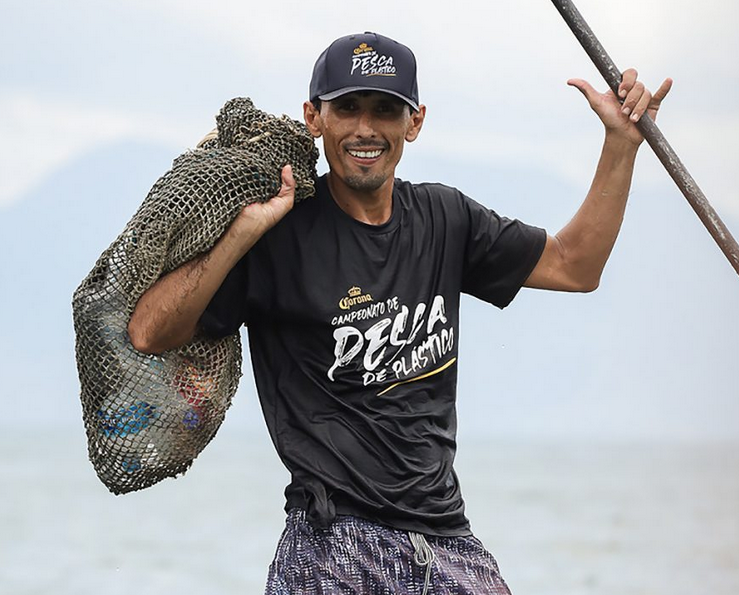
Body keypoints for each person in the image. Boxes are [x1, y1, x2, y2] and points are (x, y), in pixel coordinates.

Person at [128, 32, 672, 595]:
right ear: (314, 118)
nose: (366, 128)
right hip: (331, 544)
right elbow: (149, 330)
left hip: (447, 543)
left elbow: (574, 267)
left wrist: (621, 144)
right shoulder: (280, 233)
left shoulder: (444, 217)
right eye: (348, 108)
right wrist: (240, 233)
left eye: (385, 109)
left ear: (414, 122)